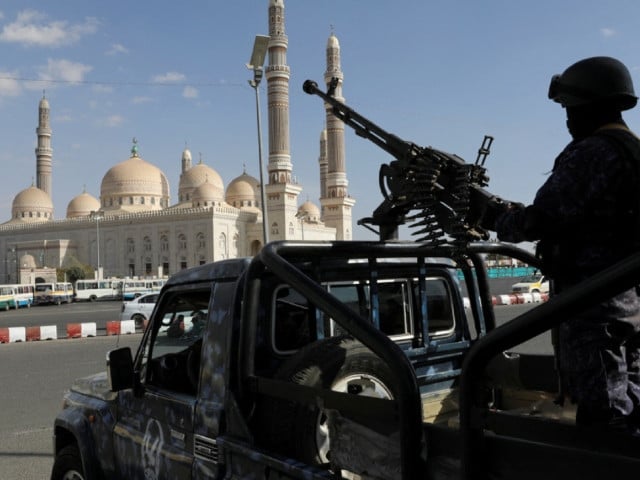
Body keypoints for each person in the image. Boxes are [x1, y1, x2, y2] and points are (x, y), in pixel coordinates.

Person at [482, 56, 640, 433]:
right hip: (626, 302)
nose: (567, 118)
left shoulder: (593, 152)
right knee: (630, 404)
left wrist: (488, 216)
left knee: (606, 420)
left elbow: (541, 219)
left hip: (594, 309)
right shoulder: (630, 149)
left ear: (591, 105)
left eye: (570, 107)